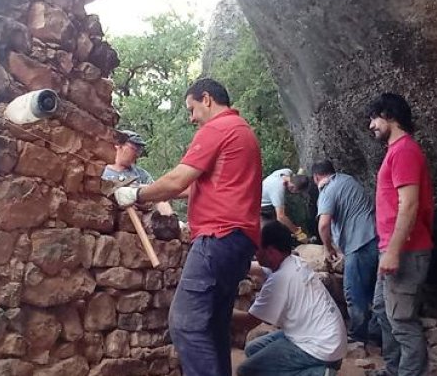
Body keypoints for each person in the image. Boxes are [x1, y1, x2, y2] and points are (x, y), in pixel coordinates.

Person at [114, 78, 262, 376]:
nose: (192, 117)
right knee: (214, 325)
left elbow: (178, 179)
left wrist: (136, 193)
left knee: (185, 323)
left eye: (192, 109)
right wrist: (150, 190)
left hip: (216, 238)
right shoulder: (243, 131)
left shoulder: (217, 129)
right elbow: (194, 188)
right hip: (238, 243)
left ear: (206, 99)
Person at [367, 93, 434, 376]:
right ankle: (392, 369)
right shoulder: (395, 151)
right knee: (384, 312)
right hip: (393, 248)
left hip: (405, 251)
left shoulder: (405, 150)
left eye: (374, 118)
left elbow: (409, 204)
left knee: (403, 322)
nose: (371, 125)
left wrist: (393, 250)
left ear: (390, 116)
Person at [233, 220, 349, 376]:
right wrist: (235, 266)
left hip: (319, 348)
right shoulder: (294, 261)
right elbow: (261, 269)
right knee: (252, 349)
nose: (255, 253)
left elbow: (248, 321)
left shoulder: (279, 281)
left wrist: (219, 308)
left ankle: (319, 373)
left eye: (258, 249)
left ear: (271, 252)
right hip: (326, 338)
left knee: (246, 371)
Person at [312, 159, 380, 345]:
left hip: (359, 245)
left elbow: (324, 224)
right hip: (376, 238)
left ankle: (358, 335)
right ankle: (376, 333)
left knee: (353, 291)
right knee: (372, 291)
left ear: (316, 177)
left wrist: (328, 248)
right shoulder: (347, 180)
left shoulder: (327, 190)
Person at [102, 129, 173, 215]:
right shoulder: (100, 171)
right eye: (134, 149)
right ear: (119, 145)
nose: (137, 155)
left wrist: (169, 217)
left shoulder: (141, 175)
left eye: (139, 151)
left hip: (140, 219)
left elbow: (157, 195)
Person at [260, 168, 312, 237]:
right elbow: (281, 217)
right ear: (293, 188)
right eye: (296, 192)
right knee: (276, 228)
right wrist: (298, 232)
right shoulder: (278, 190)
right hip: (263, 206)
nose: (295, 194)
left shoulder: (287, 171)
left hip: (268, 195)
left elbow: (295, 177)